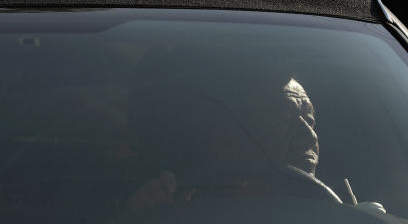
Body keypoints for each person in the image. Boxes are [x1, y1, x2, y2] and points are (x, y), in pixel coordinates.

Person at [127, 76, 339, 210]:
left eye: (310, 122)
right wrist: (141, 216)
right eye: (284, 121)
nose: (309, 137)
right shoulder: (178, 208)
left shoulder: (344, 221)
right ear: (230, 137)